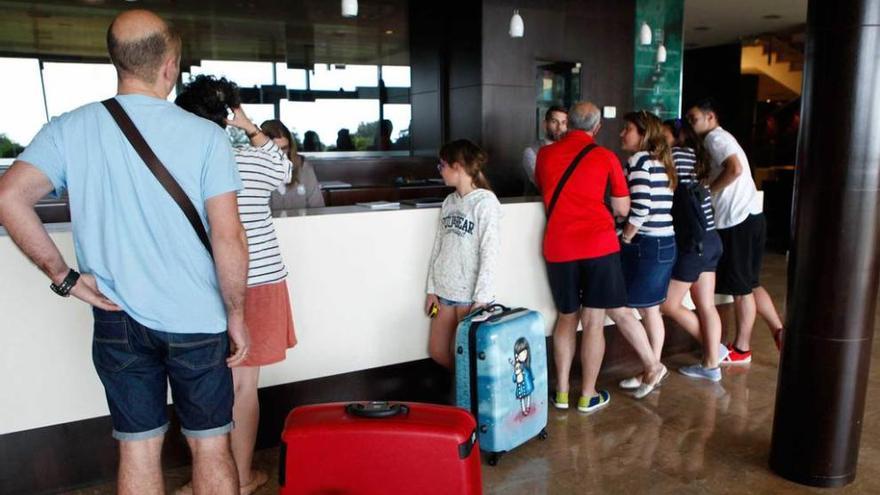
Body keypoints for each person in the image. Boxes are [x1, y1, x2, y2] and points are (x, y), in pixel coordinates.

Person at [0, 10, 249, 495]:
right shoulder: (207, 138)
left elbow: (8, 197)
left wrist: (65, 278)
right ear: (170, 64)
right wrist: (237, 312)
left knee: (137, 447)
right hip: (199, 319)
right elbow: (228, 237)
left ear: (116, 61)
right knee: (212, 444)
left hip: (118, 319)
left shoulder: (69, 129)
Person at [175, 75, 298, 495]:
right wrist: (248, 125)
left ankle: (206, 480)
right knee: (244, 384)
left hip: (200, 280)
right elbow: (286, 171)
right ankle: (241, 479)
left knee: (203, 381)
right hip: (258, 279)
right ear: (228, 114)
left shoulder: (180, 158)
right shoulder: (250, 156)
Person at [535, 102, 667, 413]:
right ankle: (588, 395)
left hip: (559, 246)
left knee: (566, 317)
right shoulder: (606, 157)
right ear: (596, 128)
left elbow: (545, 188)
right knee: (593, 321)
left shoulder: (544, 155)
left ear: (568, 125)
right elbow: (623, 209)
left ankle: (563, 393)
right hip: (599, 247)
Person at [686, 98, 781, 364]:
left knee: (741, 289)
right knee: (750, 282)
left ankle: (741, 349)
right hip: (751, 217)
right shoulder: (722, 138)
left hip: (737, 220)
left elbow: (735, 169)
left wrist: (708, 190)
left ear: (710, 117)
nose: (692, 125)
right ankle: (778, 330)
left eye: (694, 119)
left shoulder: (715, 139)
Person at [659, 119, 728, 382]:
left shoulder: (674, 156)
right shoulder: (699, 157)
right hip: (710, 239)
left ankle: (713, 354)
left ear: (677, 135)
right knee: (707, 305)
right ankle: (712, 360)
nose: (661, 137)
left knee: (668, 303)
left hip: (692, 245)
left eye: (664, 132)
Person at [424, 139, 501, 369]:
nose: (440, 171)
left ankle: (467, 400)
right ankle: (462, 391)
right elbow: (438, 247)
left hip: (470, 296)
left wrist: (481, 299)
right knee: (438, 350)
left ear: (457, 167)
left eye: (442, 166)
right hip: (444, 293)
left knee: (468, 357)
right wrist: (431, 291)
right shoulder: (449, 201)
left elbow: (490, 252)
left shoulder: (486, 203)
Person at [616, 110, 678, 390]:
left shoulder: (639, 160)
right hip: (666, 242)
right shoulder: (661, 161)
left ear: (643, 135)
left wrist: (625, 238)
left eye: (627, 129)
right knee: (651, 310)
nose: (622, 134)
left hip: (647, 245)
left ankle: (652, 369)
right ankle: (651, 370)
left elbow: (640, 210)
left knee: (623, 308)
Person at [263, 120, 325, 209]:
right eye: (274, 149)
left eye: (284, 148)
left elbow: (318, 208)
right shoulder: (253, 171)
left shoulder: (303, 167)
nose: (280, 155)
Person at [522, 105, 568, 193]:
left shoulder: (571, 150)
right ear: (545, 124)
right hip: (537, 204)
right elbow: (544, 184)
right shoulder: (531, 151)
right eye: (554, 122)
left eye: (563, 123)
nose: (559, 127)